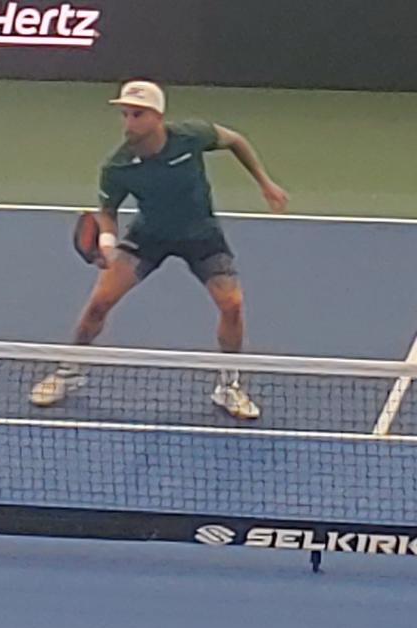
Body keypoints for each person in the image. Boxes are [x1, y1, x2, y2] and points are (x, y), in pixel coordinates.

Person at [30, 80, 289, 419]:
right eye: (124, 115)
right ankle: (69, 371)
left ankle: (229, 385)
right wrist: (107, 242)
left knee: (232, 304)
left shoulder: (191, 135)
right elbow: (107, 213)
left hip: (201, 235)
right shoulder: (118, 166)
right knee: (99, 303)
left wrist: (264, 182)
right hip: (148, 236)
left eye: (136, 115)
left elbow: (236, 140)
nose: (128, 123)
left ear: (157, 116)